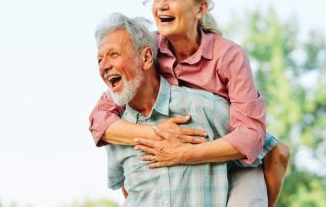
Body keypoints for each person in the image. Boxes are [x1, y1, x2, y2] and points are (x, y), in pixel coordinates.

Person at [90, 0, 289, 207]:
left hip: (235, 159)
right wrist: (158, 133)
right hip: (187, 150)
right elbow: (100, 120)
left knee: (275, 153)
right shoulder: (148, 47)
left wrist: (182, 153)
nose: (161, 5)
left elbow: (250, 137)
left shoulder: (228, 56)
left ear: (200, 8)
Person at [96, 12, 256, 206]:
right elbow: (126, 189)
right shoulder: (116, 130)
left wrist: (187, 155)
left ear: (146, 57)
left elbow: (265, 150)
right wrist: (156, 133)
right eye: (99, 59)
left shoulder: (204, 108)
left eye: (114, 54)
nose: (104, 66)